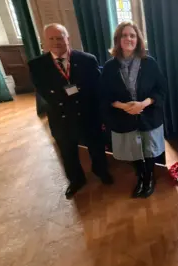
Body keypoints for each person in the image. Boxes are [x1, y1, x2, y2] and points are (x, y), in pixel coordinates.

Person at [28, 24, 113, 199]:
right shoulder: (36, 65)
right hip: (61, 117)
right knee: (67, 151)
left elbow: (96, 88)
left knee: (96, 147)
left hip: (88, 114)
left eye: (60, 37)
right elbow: (45, 92)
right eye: (51, 39)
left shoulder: (87, 60)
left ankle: (101, 171)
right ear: (45, 41)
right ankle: (76, 180)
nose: (56, 42)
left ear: (68, 39)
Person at [100, 21, 167, 198]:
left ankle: (150, 177)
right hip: (123, 117)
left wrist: (143, 104)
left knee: (149, 149)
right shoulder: (109, 67)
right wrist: (124, 106)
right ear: (118, 39)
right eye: (124, 35)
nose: (128, 38)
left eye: (132, 35)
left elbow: (160, 90)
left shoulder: (150, 63)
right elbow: (104, 95)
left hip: (148, 114)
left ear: (138, 39)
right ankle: (141, 177)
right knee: (134, 150)